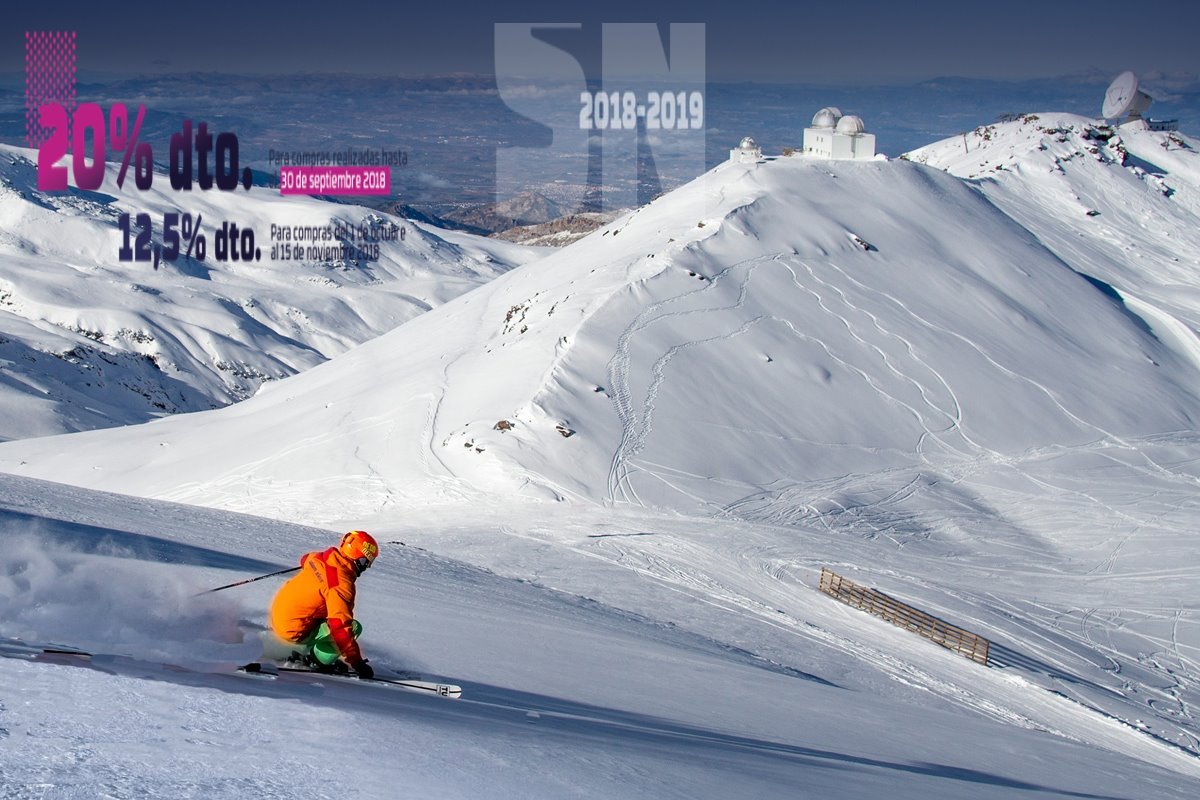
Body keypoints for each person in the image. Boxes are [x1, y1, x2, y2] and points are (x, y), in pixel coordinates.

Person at [269, 530, 379, 679]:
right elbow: (340, 625)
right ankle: (317, 660)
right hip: (293, 630)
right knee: (352, 627)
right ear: (359, 559)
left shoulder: (319, 557)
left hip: (278, 616)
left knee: (325, 610)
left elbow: (304, 559)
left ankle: (300, 646)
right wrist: (357, 662)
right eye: (367, 562)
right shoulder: (340, 584)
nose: (366, 567)